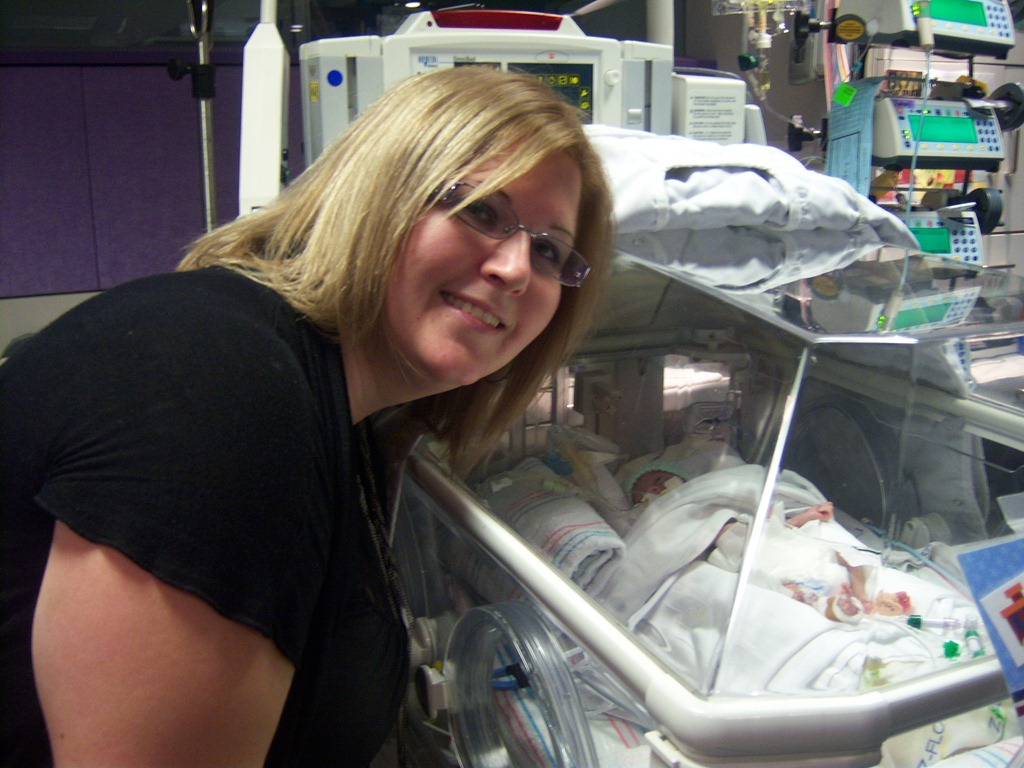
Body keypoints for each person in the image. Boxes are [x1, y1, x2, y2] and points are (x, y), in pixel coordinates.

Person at [0, 66, 614, 768]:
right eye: (478, 209)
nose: (515, 268)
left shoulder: (340, 413)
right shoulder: (219, 388)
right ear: (377, 192)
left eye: (548, 249)